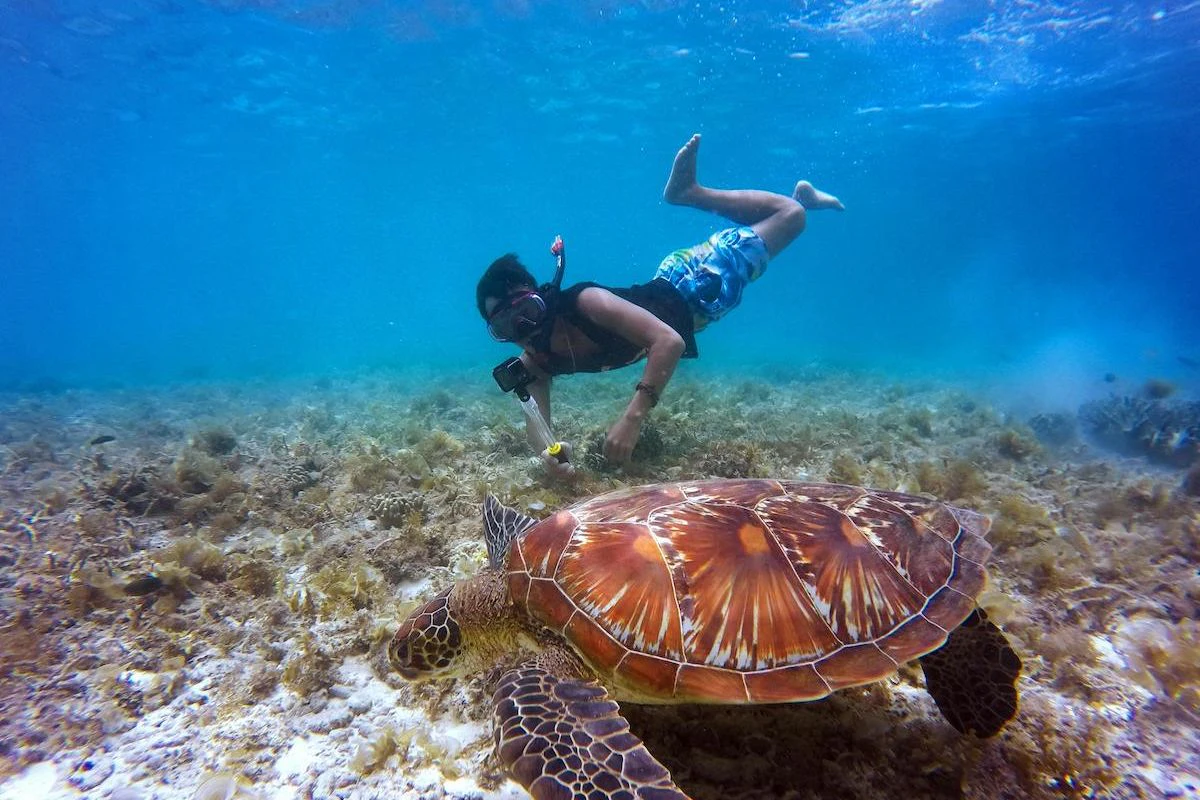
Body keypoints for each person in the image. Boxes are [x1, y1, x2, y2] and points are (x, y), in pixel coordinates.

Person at [477, 133, 844, 478]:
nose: (524, 331)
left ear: (541, 296)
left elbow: (669, 342)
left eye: (526, 312)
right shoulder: (536, 362)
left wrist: (632, 419)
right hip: (684, 293)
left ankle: (690, 192)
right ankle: (802, 198)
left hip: (696, 284)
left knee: (791, 218)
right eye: (506, 328)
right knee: (782, 221)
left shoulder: (584, 302)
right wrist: (551, 457)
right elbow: (538, 427)